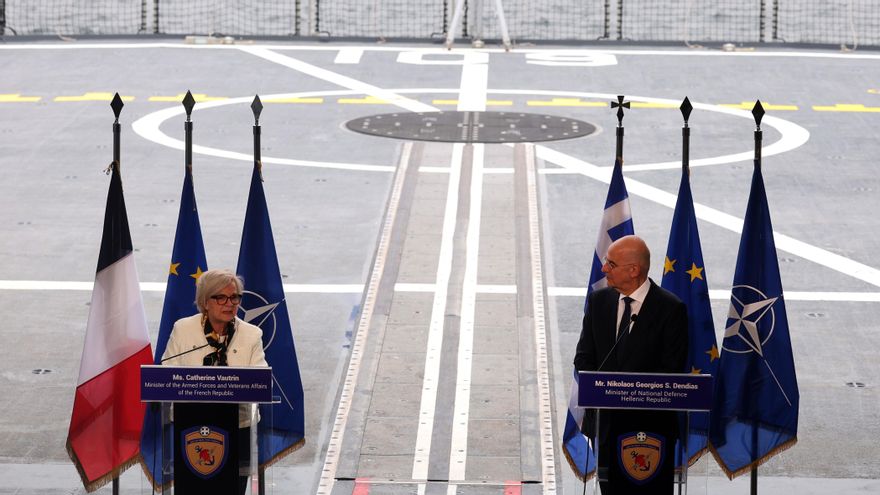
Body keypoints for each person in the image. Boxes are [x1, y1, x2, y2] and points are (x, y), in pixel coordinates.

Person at [574, 235, 688, 494]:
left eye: (610, 264)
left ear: (633, 270)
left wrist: (624, 390)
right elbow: (583, 357)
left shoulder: (671, 309)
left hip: (650, 431)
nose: (604, 269)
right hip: (604, 424)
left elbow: (671, 369)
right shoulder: (599, 301)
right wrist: (604, 390)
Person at [163, 268, 268, 494]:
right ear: (205, 301)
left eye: (234, 297)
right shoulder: (183, 329)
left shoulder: (252, 334)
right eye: (221, 297)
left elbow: (259, 380)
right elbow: (166, 374)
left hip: (238, 428)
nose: (229, 303)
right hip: (189, 425)